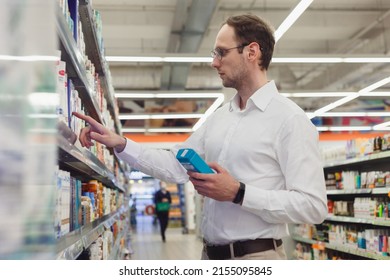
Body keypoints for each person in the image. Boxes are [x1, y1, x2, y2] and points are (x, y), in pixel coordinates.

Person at [73, 13, 328, 260]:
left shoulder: (290, 120)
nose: (214, 62)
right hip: (209, 256)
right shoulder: (219, 118)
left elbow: (313, 205)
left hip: (256, 258)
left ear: (252, 52)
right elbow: (175, 165)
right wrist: (121, 143)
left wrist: (239, 193)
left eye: (221, 52)